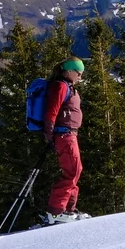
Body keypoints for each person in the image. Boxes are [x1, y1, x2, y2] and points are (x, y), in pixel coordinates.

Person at [41, 58, 91, 224]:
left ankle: (69, 210)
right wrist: (49, 134)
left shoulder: (66, 86)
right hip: (65, 135)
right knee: (72, 171)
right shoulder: (60, 86)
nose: (80, 77)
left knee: (76, 170)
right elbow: (52, 111)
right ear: (69, 71)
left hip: (69, 135)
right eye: (78, 73)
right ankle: (56, 212)